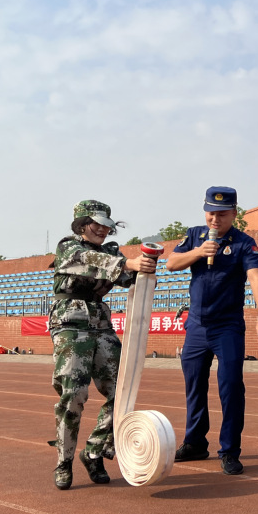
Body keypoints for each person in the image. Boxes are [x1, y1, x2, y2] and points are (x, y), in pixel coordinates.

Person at [166, 186, 258, 475]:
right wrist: (198, 252)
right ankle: (195, 442)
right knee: (194, 385)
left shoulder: (244, 243)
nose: (215, 220)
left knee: (230, 386)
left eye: (222, 214)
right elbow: (171, 263)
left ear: (234, 213)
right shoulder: (194, 235)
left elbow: (256, 278)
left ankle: (229, 450)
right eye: (210, 213)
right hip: (196, 326)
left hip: (227, 327)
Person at [49, 200, 157, 490]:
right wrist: (128, 263)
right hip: (70, 323)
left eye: (106, 226)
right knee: (73, 394)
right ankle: (64, 461)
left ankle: (94, 451)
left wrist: (146, 267)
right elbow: (89, 260)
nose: (102, 229)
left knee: (122, 391)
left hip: (101, 323)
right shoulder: (68, 247)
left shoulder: (111, 252)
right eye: (95, 224)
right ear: (81, 224)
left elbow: (128, 277)